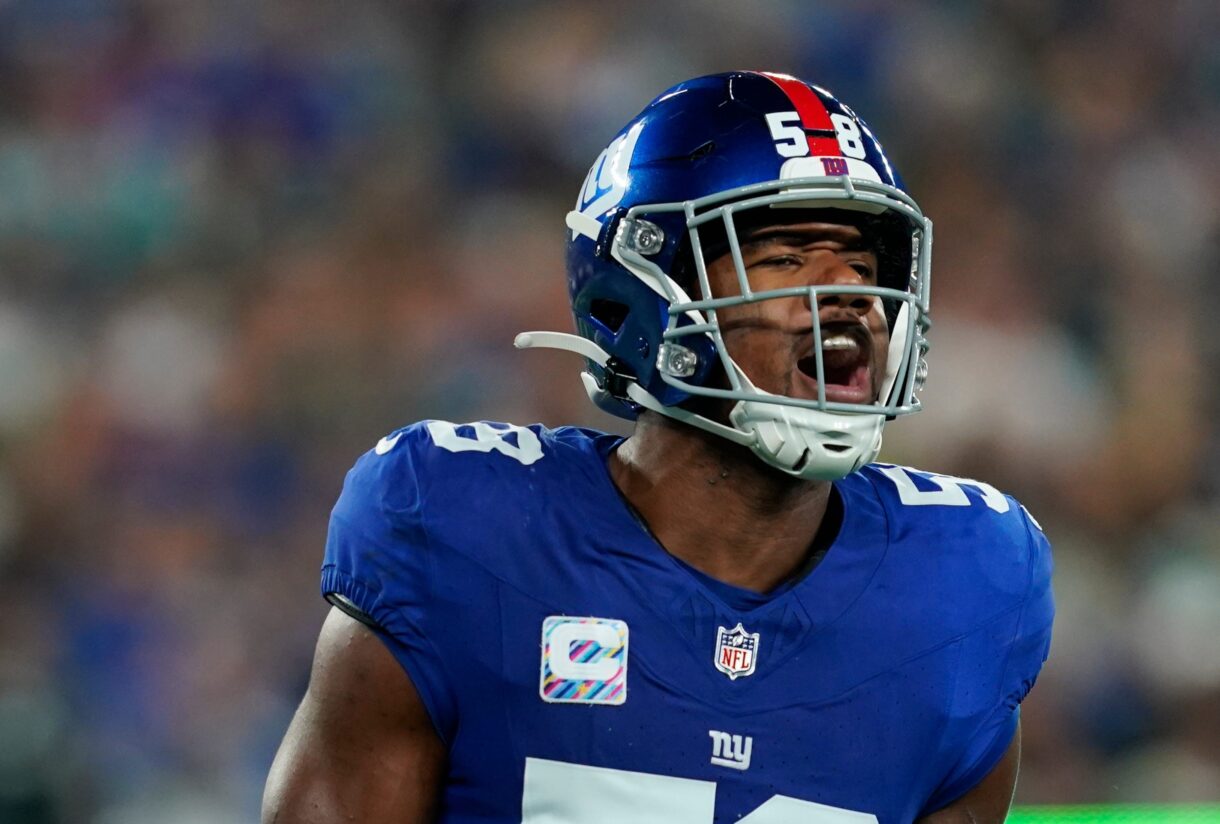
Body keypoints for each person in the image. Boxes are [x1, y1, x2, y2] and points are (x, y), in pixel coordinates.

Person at [262, 71, 1054, 824]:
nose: (846, 294)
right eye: (783, 258)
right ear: (644, 291)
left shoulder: (966, 585)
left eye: (863, 262)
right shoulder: (463, 530)